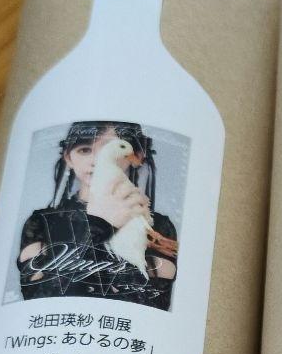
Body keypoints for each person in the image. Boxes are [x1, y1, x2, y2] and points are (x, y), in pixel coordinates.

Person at [17, 121, 179, 310]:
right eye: (85, 150)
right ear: (69, 157)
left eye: (108, 149)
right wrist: (98, 225)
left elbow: (153, 307)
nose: (96, 160)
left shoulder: (158, 226)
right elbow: (37, 302)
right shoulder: (41, 223)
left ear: (136, 156)